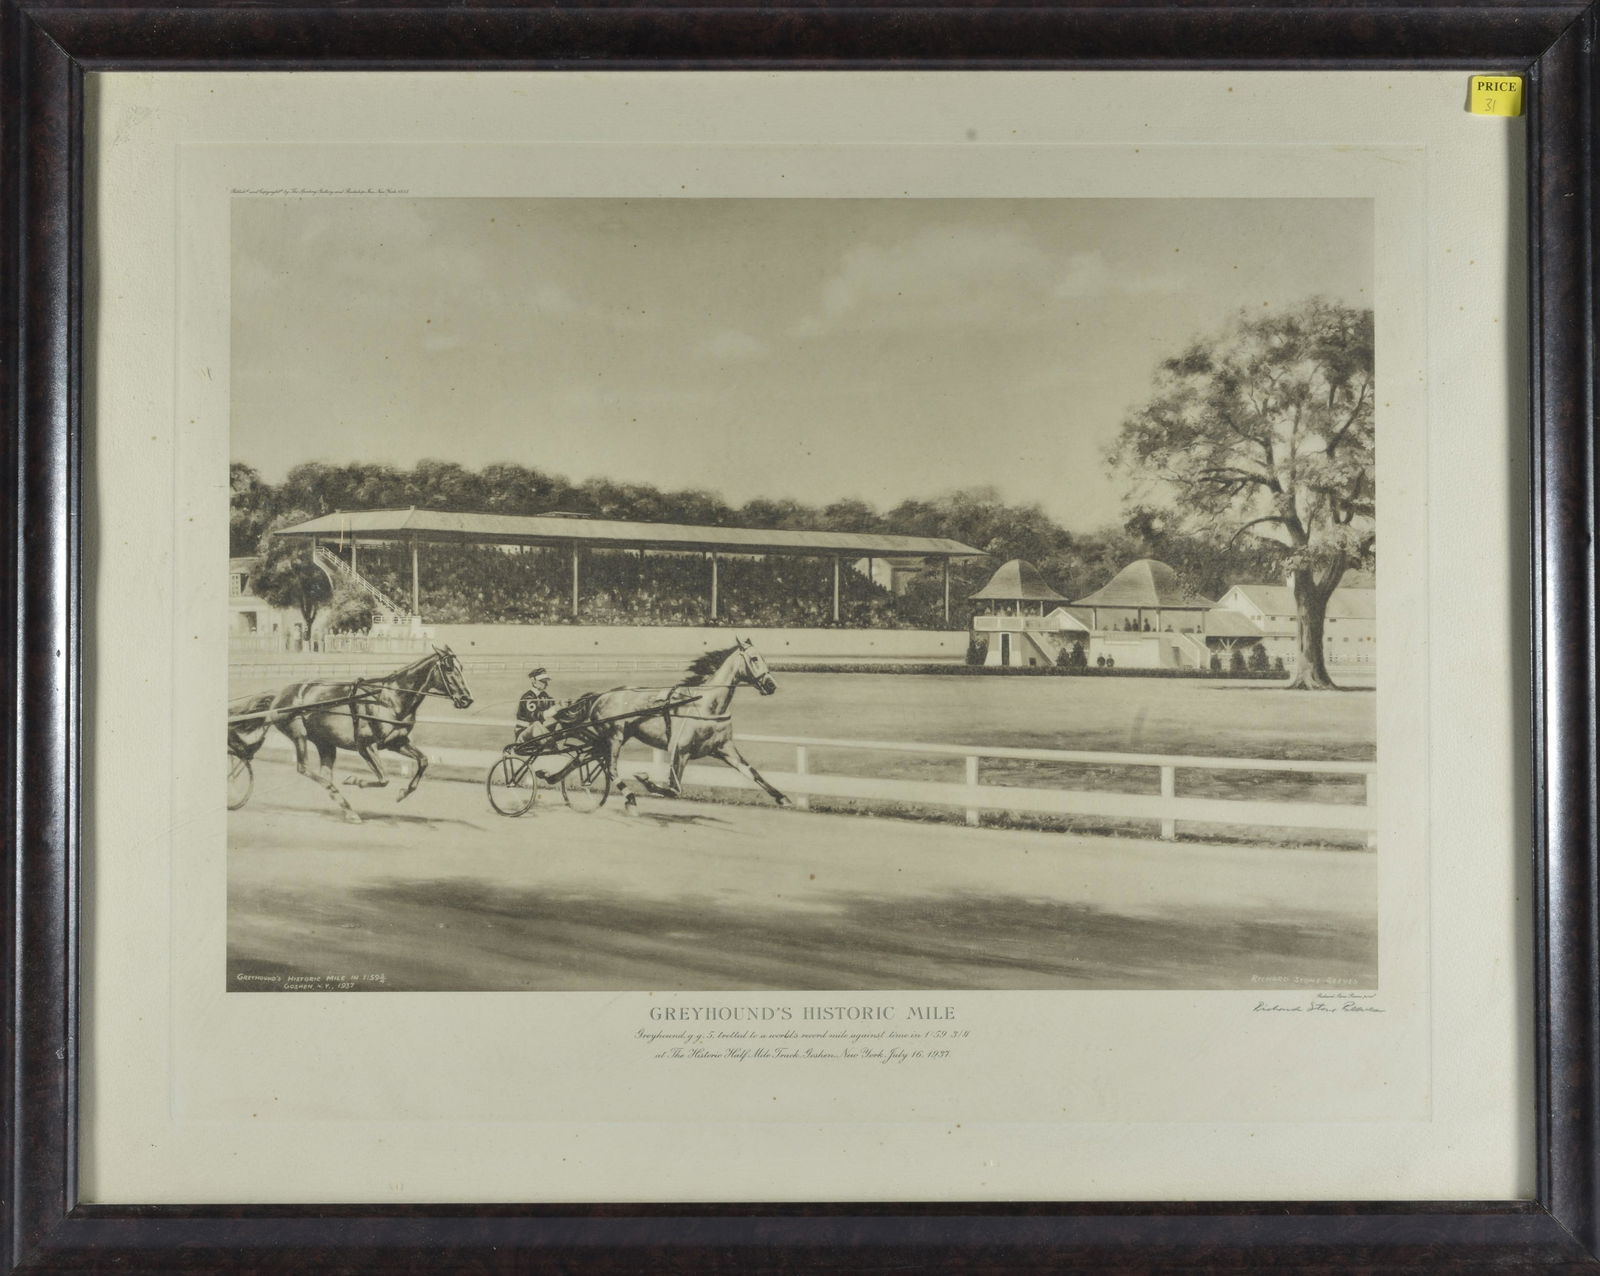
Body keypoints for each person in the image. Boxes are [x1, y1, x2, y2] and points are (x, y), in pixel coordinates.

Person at [514, 667, 559, 748]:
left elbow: (553, 714)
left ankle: (554, 744)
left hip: (539, 732)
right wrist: (554, 710)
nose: (546, 684)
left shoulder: (545, 696)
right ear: (534, 681)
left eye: (546, 681)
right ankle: (552, 746)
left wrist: (561, 707)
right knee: (536, 724)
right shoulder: (528, 697)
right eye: (543, 682)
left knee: (558, 722)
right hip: (524, 733)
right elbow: (534, 716)